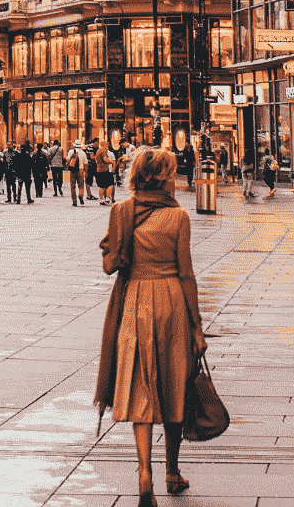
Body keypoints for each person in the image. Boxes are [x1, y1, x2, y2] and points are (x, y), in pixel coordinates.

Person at [95, 147, 208, 507]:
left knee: (139, 385)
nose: (175, 179)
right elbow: (187, 274)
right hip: (172, 301)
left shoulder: (121, 212)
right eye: (172, 173)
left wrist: (113, 248)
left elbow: (109, 265)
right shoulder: (178, 218)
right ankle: (172, 471)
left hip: (135, 304)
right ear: (162, 178)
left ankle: (144, 472)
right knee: (175, 382)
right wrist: (197, 326)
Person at [94, 139, 117, 205]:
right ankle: (107, 198)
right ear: (104, 144)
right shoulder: (104, 150)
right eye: (107, 144)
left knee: (102, 186)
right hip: (104, 170)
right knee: (111, 184)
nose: (108, 146)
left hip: (98, 170)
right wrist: (111, 162)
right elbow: (105, 159)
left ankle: (101, 200)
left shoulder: (98, 151)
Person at [66, 140, 88, 206]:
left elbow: (67, 161)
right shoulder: (83, 153)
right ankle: (80, 195)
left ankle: (74, 201)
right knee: (81, 185)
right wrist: (86, 172)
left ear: (74, 145)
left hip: (73, 170)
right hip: (80, 170)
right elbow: (86, 164)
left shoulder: (71, 151)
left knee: (73, 186)